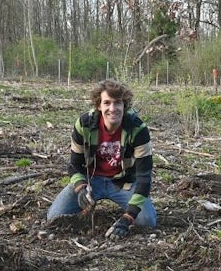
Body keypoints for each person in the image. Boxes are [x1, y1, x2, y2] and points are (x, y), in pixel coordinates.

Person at [47, 78, 156, 240]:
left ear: (124, 106)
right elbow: (74, 165)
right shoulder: (84, 124)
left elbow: (144, 178)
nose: (112, 108)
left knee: (147, 221)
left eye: (117, 103)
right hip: (92, 181)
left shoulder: (137, 129)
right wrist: (81, 188)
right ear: (99, 105)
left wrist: (128, 218)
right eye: (107, 103)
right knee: (54, 218)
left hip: (124, 183)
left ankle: (128, 210)